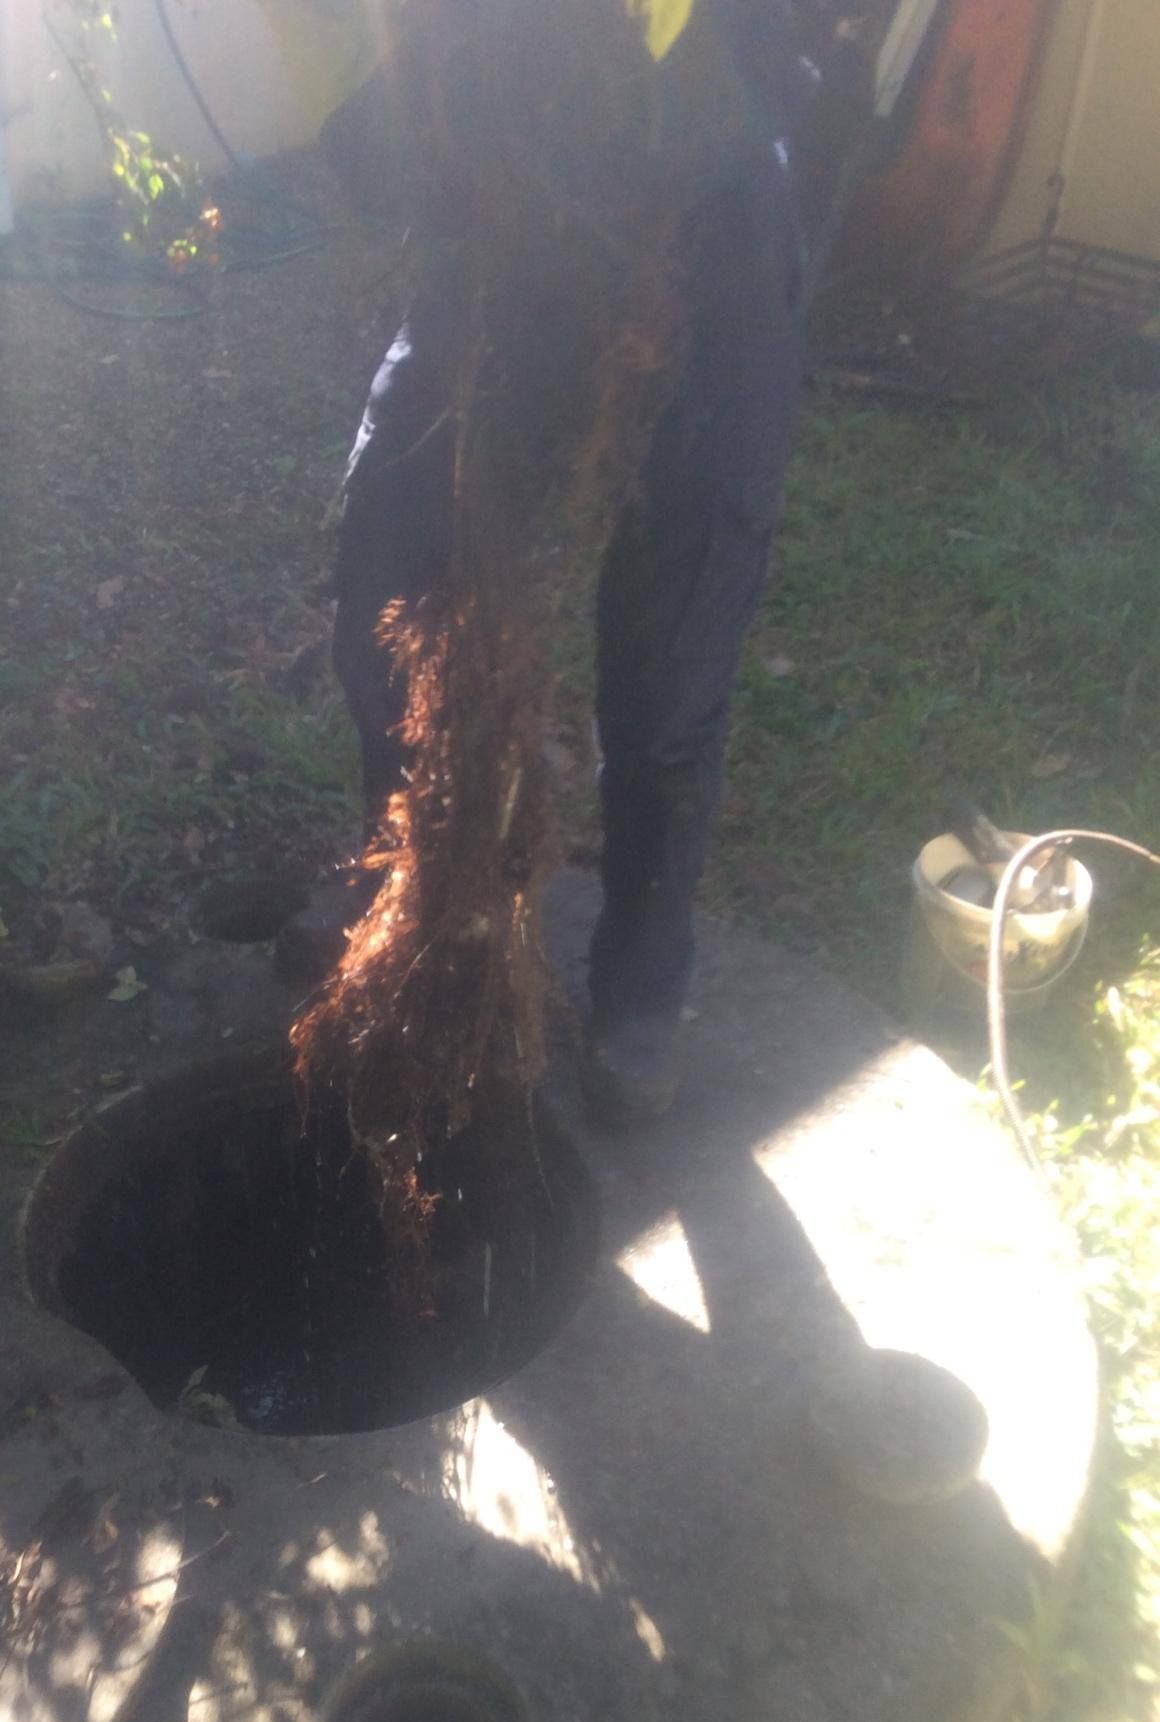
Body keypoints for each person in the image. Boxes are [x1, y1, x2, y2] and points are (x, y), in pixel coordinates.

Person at [278, 1, 855, 1121]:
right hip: (509, 215)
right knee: (390, 569)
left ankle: (640, 987)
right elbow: (377, 115)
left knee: (671, 672)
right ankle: (413, 878)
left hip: (711, 224)